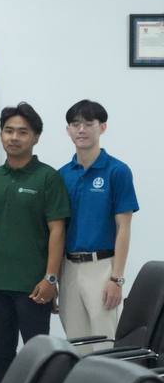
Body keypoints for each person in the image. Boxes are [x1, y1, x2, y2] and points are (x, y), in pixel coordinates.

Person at [0, 102, 71, 383]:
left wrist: (51, 278)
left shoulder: (48, 177)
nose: (14, 137)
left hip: (34, 286)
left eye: (23, 132)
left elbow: (58, 231)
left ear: (36, 137)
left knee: (37, 353)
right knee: (2, 353)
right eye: (8, 131)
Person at [57, 99, 138, 344]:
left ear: (102, 127)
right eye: (75, 124)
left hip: (102, 267)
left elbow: (123, 228)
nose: (81, 129)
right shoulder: (62, 174)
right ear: (68, 130)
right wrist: (53, 277)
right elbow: (58, 230)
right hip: (69, 269)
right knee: (76, 343)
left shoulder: (117, 171)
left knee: (104, 344)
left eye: (88, 123)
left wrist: (117, 279)